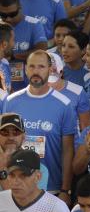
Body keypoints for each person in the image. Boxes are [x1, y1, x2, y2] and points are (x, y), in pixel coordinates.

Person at [3, 50, 76, 201]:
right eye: (32, 66)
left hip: (51, 187)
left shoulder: (64, 104)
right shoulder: (11, 101)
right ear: (25, 69)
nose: (36, 71)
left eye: (41, 67)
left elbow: (68, 150)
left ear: (50, 70)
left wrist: (65, 189)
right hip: (16, 186)